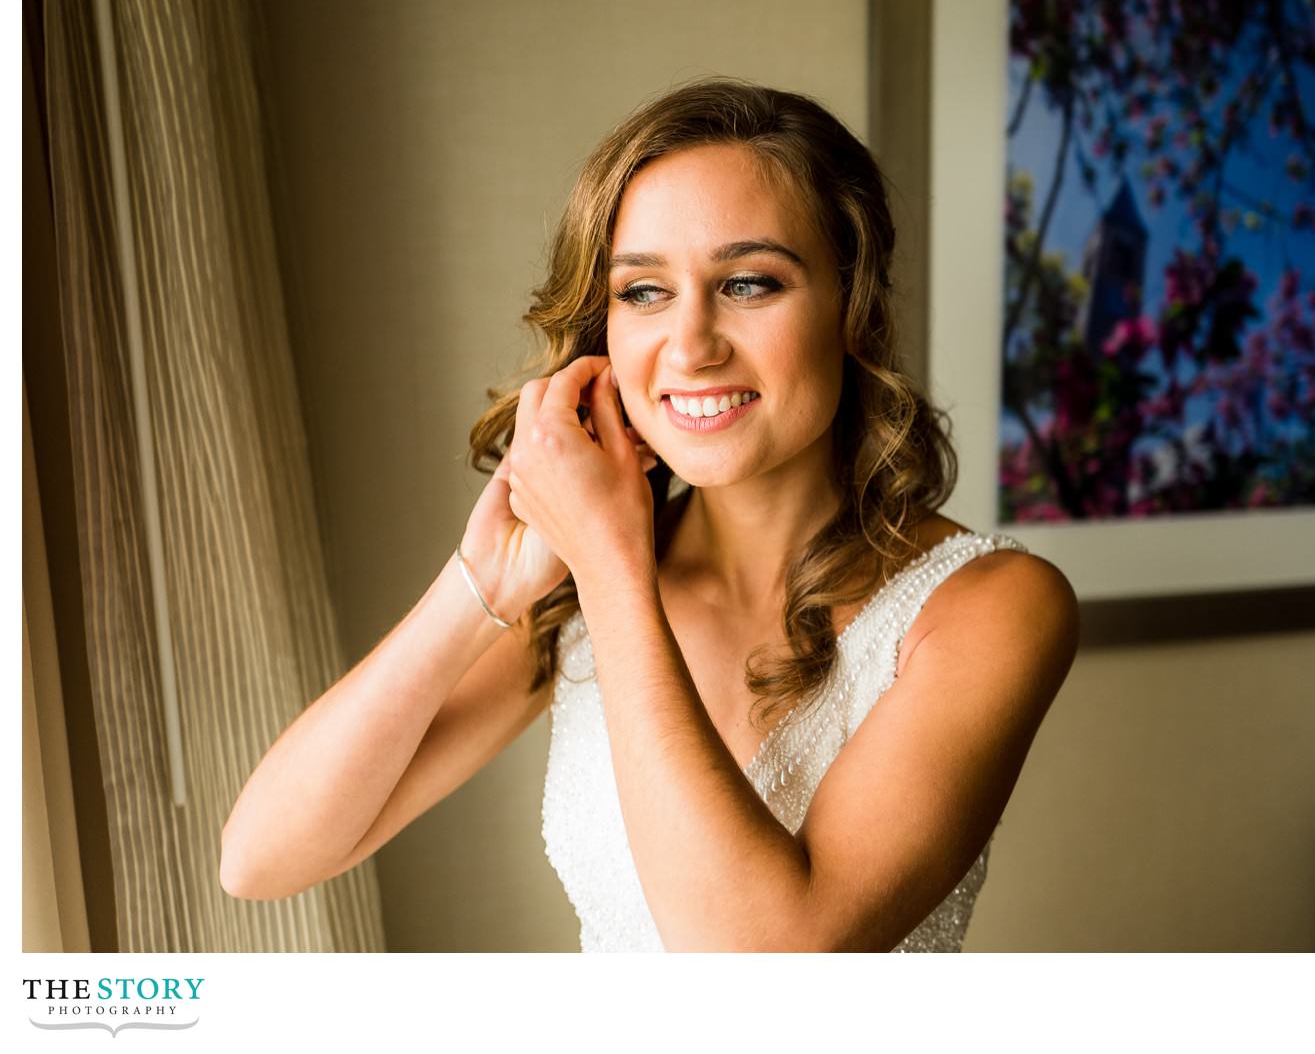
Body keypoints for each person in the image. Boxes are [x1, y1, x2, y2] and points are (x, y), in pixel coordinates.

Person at [220, 78, 1078, 952]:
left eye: (748, 283)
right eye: (642, 293)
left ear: (855, 308)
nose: (692, 346)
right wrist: (479, 584)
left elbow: (765, 963)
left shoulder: (993, 608)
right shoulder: (580, 585)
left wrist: (611, 566)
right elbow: (261, 860)